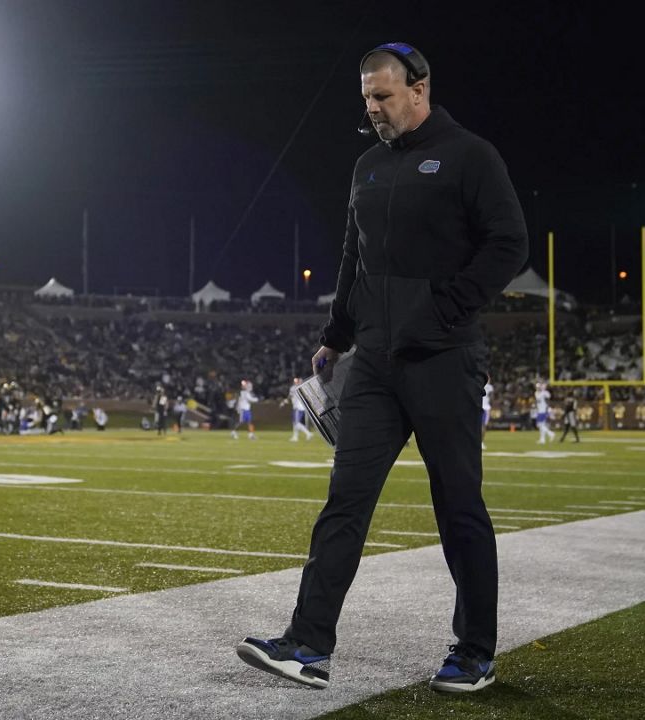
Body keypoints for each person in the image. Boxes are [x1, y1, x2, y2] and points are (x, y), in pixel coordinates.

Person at [237, 42, 528, 694]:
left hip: (444, 359)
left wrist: (446, 310)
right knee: (345, 502)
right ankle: (308, 645)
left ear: (420, 89)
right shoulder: (367, 165)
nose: (372, 109)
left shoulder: (469, 156)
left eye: (383, 96)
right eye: (367, 98)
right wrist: (336, 336)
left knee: (458, 508)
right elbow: (352, 259)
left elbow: (510, 243)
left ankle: (475, 652)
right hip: (372, 362)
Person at [282, 377, 314, 441]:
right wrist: (285, 401)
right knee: (294, 423)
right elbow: (290, 396)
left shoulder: (300, 387)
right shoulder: (295, 387)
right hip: (297, 407)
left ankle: (308, 433)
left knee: (296, 423)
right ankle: (295, 437)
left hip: (298, 407)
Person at [480, 374, 493, 449]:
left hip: (479, 406)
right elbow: (491, 397)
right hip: (485, 407)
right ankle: (481, 442)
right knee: (483, 426)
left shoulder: (478, 383)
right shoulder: (489, 387)